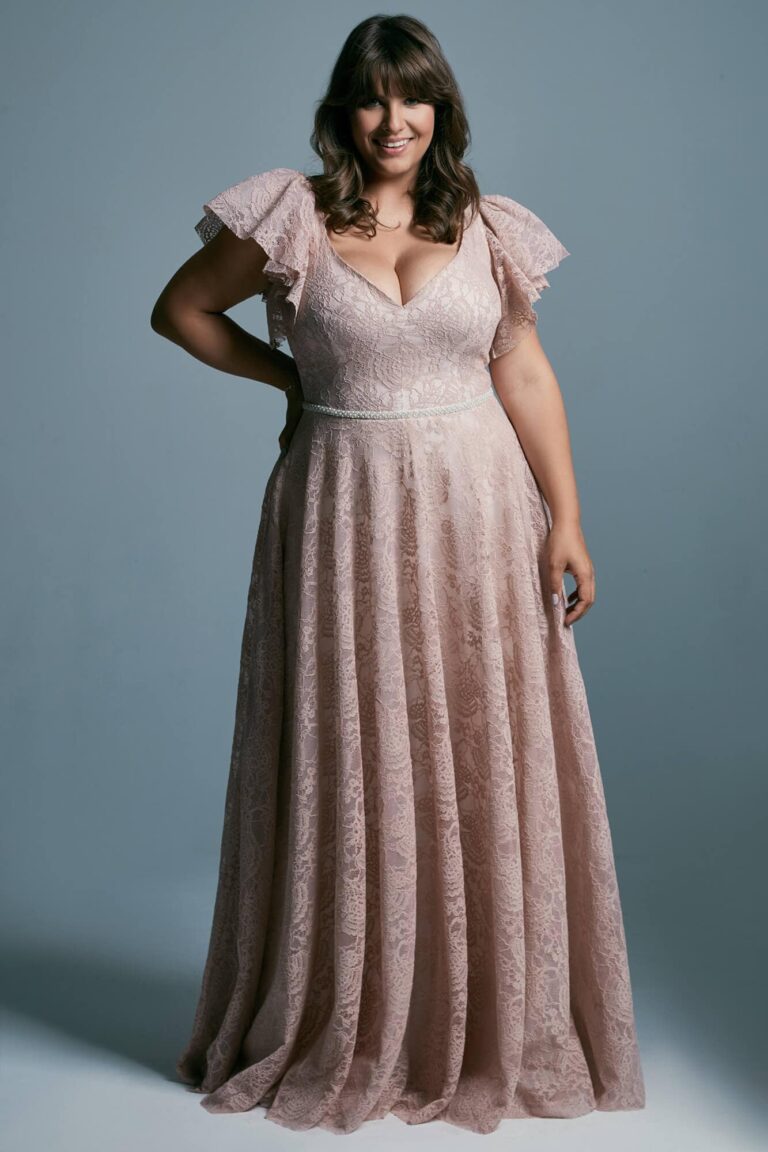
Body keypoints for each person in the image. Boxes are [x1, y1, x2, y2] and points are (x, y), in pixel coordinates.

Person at [150, 12, 646, 1136]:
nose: (393, 120)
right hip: (342, 516)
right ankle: (356, 1013)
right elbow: (179, 310)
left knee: (477, 740)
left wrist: (567, 517)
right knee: (354, 743)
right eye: (372, 98)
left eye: (412, 97)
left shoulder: (485, 224)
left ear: (441, 109)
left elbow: (525, 373)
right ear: (343, 110)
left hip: (481, 514)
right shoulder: (293, 218)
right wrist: (291, 381)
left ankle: (480, 1021)